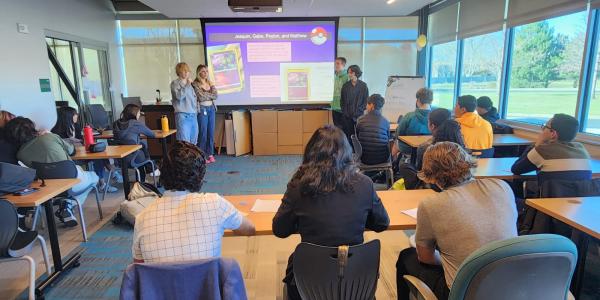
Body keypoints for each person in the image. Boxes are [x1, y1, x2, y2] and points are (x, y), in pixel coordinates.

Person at [272, 125, 390, 300]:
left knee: (294, 263)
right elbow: (382, 223)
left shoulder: (298, 186)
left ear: (310, 154)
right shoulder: (364, 183)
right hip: (356, 281)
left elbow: (280, 230)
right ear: (347, 153)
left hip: (310, 283)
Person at [396, 142, 518, 300]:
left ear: (431, 175)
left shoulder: (431, 204)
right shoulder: (502, 186)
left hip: (465, 292)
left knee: (407, 257)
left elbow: (425, 257)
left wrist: (451, 262)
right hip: (512, 285)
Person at [132, 141, 255, 263]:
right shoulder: (215, 204)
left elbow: (139, 267)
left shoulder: (142, 218)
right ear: (200, 177)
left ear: (163, 175)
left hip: (160, 282)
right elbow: (249, 229)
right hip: (206, 282)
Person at [6, 117, 99, 227]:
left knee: (78, 172)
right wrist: (50, 135)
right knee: (94, 177)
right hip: (73, 181)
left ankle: (67, 204)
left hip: (48, 190)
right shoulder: (49, 137)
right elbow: (72, 151)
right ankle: (69, 204)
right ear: (32, 128)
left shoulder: (20, 154)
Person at [52, 106, 118, 193]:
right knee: (98, 157)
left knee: (99, 155)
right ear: (68, 116)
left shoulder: (76, 126)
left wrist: (81, 140)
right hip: (70, 157)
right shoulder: (56, 131)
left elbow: (82, 141)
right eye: (74, 114)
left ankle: (107, 179)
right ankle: (110, 176)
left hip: (82, 153)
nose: (77, 115)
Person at [511, 114, 591, 181]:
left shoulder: (543, 150)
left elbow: (516, 169)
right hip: (581, 199)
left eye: (545, 127)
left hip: (549, 199)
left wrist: (537, 144)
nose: (542, 129)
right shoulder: (582, 149)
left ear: (553, 133)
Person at [113, 104, 157, 182]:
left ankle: (150, 167)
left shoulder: (116, 123)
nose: (139, 115)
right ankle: (142, 181)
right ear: (134, 114)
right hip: (133, 158)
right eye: (139, 113)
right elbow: (152, 134)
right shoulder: (135, 123)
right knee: (142, 148)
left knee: (141, 144)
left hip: (119, 159)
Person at [393, 88, 433, 156]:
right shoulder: (436, 117)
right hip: (429, 149)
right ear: (431, 101)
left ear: (418, 100)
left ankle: (394, 164)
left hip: (409, 149)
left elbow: (399, 134)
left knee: (395, 143)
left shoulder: (409, 116)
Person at [192, 64, 218, 163]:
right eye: (203, 71)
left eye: (207, 71)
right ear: (199, 72)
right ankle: (201, 155)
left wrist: (208, 94)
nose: (205, 73)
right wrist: (209, 95)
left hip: (211, 108)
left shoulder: (210, 83)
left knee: (210, 133)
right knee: (203, 133)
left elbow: (215, 96)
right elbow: (200, 97)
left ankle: (210, 154)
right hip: (202, 109)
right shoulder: (195, 83)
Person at [355, 94, 391, 165]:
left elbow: (357, 138)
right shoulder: (386, 122)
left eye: (367, 104)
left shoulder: (360, 120)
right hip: (382, 159)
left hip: (364, 158)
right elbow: (387, 139)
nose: (366, 107)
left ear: (371, 105)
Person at [170, 62, 199, 144]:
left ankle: (193, 157)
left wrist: (196, 111)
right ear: (179, 72)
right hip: (183, 116)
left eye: (187, 71)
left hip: (193, 115)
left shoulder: (191, 84)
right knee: (184, 142)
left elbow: (194, 99)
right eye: (184, 70)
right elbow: (179, 97)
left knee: (194, 141)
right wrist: (187, 85)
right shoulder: (175, 83)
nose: (186, 73)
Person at [340, 65, 369, 143]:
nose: (349, 74)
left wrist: (359, 111)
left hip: (359, 116)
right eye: (348, 72)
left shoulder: (363, 86)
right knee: (348, 136)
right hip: (347, 116)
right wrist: (345, 112)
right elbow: (342, 101)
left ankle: (359, 152)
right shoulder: (345, 86)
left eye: (351, 72)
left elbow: (365, 101)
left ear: (356, 73)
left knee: (359, 135)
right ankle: (350, 152)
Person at [331, 57, 349, 129]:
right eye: (335, 63)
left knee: (344, 130)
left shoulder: (347, 76)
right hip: (334, 107)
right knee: (337, 129)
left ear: (343, 65)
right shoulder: (335, 76)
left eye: (338, 63)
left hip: (343, 108)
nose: (336, 65)